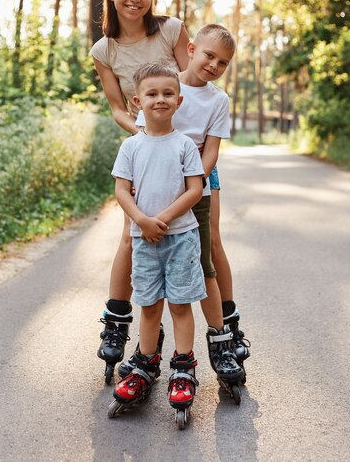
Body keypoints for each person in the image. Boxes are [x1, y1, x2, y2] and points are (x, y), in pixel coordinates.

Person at [122, 24, 247, 387]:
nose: (214, 65)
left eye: (223, 63)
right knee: (147, 261)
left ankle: (221, 339)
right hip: (153, 191)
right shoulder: (162, 84)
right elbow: (145, 138)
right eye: (209, 55)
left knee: (205, 260)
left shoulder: (217, 100)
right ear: (191, 49)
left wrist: (188, 186)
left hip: (198, 187)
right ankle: (147, 349)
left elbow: (210, 152)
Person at [108, 63, 205, 417]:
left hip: (180, 238)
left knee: (180, 304)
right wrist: (141, 221)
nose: (160, 99)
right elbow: (121, 191)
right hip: (143, 239)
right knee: (149, 306)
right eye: (152, 94)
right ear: (138, 101)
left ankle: (183, 367)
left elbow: (195, 189)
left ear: (178, 101)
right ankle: (145, 364)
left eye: (167, 94)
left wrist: (161, 220)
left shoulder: (184, 145)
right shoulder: (131, 146)